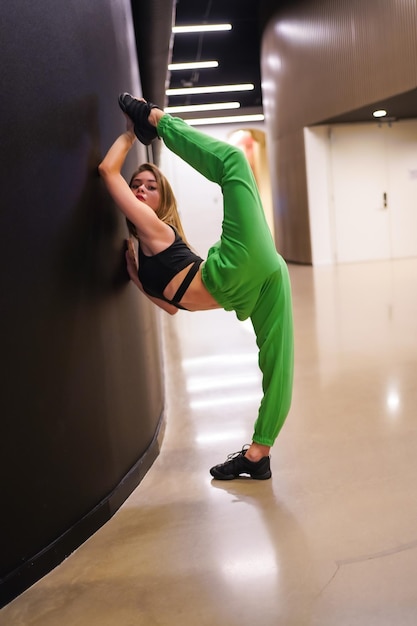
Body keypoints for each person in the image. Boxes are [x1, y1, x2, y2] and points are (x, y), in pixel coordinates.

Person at [98, 94, 294, 480]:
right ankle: (258, 456)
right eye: (135, 185)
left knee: (235, 161)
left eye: (149, 187)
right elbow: (172, 307)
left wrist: (132, 133)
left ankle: (155, 119)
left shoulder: (156, 229)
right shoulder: (147, 250)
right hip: (252, 283)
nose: (139, 191)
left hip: (234, 268)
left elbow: (108, 171)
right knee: (278, 365)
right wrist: (139, 281)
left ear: (162, 199)